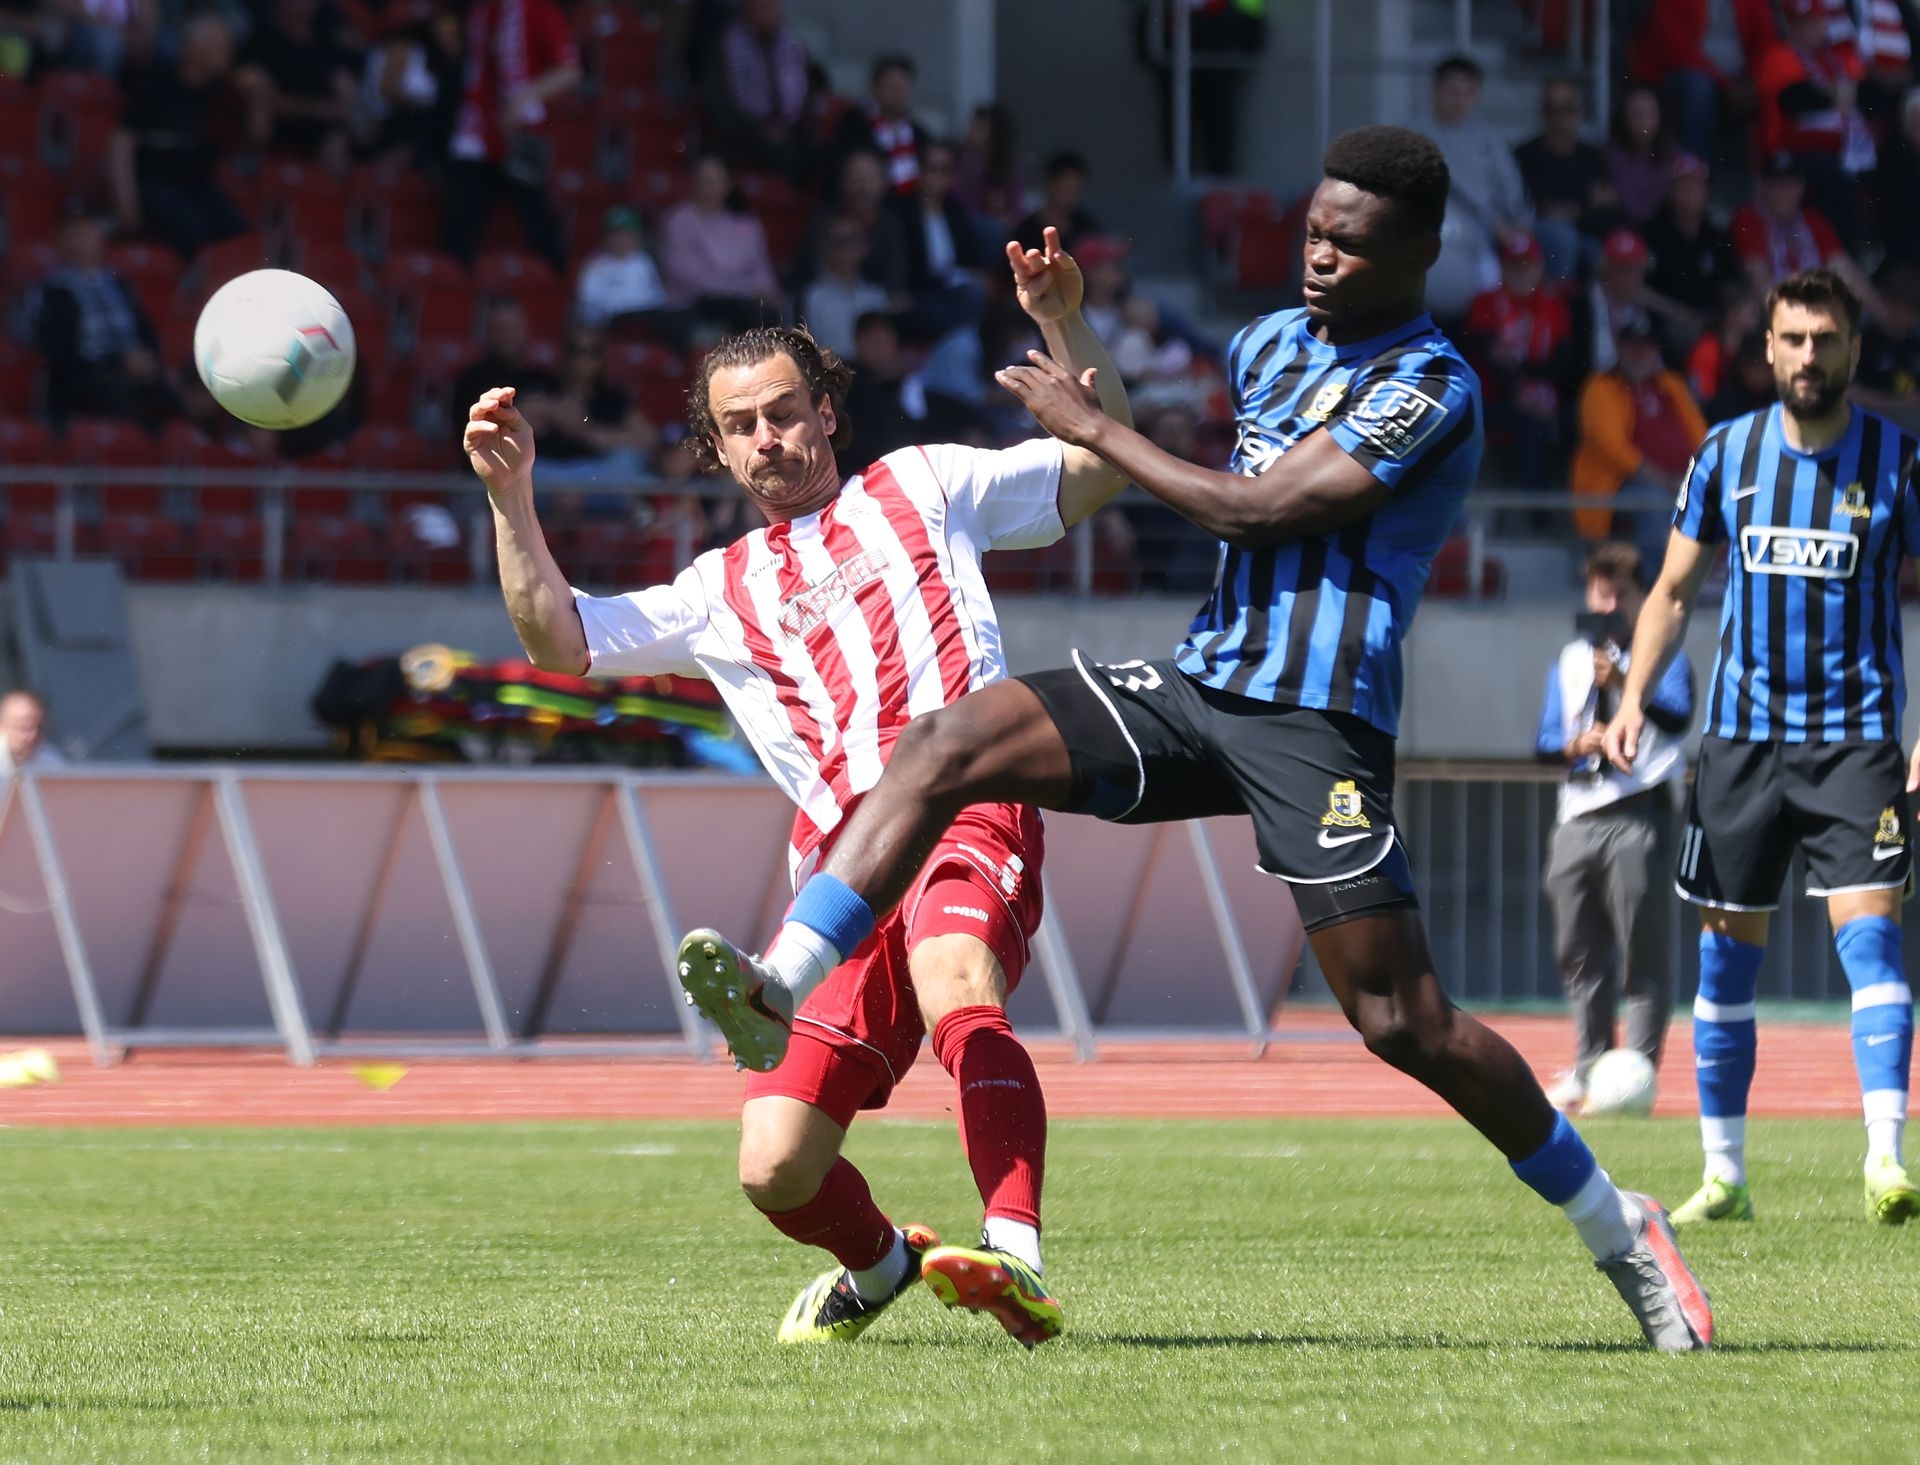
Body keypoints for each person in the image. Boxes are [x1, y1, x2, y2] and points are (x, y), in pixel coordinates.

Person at [679, 125, 1716, 1354]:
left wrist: (1091, 423)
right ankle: (781, 982)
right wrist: (1072, 328)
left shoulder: (1432, 386)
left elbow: (1259, 510)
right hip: (1200, 684)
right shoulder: (1269, 345)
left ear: (1421, 253)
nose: (1319, 257)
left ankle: (1617, 1221)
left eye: (1350, 244)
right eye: (1314, 232)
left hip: (1315, 724)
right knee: (947, 742)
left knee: (1403, 1020)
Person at [467, 229, 1135, 1347]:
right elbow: (558, 641)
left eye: (784, 412)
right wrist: (510, 496)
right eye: (740, 426)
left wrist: (1063, 320)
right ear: (718, 450)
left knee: (957, 979)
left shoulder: (927, 482)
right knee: (774, 1166)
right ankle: (881, 1265)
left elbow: (1103, 464)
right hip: (839, 875)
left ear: (826, 411)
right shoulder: (714, 589)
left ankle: (1015, 1253)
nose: (767, 437)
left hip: (966, 798)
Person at [1605, 267, 1920, 1229]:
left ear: (1854, 348)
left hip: (1856, 740)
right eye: (1794, 338)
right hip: (1740, 745)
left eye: (1826, 338)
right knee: (1724, 966)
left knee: (1871, 941)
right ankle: (1725, 1175)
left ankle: (1886, 1158)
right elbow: (1670, 591)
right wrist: (1633, 696)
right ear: (1770, 348)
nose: (1809, 355)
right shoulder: (1726, 454)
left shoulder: (1899, 462)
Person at [1536, 542, 1693, 1115]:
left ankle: (1638, 1075)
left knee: (1641, 950)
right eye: (1598, 594)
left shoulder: (1664, 654)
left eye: (1617, 595)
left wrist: (1627, 677)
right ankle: (1589, 1066)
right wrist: (1575, 745)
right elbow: (1544, 740)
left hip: (1637, 809)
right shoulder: (1569, 659)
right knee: (1577, 950)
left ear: (1639, 599)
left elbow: (1677, 715)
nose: (1606, 606)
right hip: (1577, 814)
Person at [439, 0, 580, 273]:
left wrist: (524, 97)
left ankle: (553, 288)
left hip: (521, 135)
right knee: (459, 229)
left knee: (540, 227)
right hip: (474, 134)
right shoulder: (479, 10)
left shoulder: (539, 9)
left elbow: (569, 70)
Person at [109, 15, 250, 260]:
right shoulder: (156, 86)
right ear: (194, 50)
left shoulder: (223, 93)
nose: (228, 53)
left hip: (196, 183)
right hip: (154, 181)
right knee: (192, 230)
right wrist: (126, 202)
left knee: (236, 231)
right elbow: (122, 143)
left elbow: (248, 143)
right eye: (220, 46)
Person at [1569, 318, 1707, 548]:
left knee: (1715, 497)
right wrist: (1663, 479)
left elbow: (1701, 436)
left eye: (1646, 347)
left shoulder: (1671, 385)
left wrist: (1693, 477)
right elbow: (1611, 447)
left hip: (1678, 481)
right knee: (1652, 500)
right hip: (1622, 486)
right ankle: (1661, 571)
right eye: (1632, 346)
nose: (1639, 354)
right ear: (1620, 348)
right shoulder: (1600, 386)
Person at [33, 214, 172, 428]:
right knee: (119, 391)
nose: (82, 241)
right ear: (61, 243)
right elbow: (63, 353)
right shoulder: (54, 290)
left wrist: (146, 357)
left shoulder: (119, 283)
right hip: (87, 374)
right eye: (74, 235)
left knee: (170, 391)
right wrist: (120, 363)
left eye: (87, 233)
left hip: (130, 364)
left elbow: (145, 328)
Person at [1424, 55, 1531, 325]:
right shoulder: (1418, 134)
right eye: (1452, 91)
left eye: (1467, 93)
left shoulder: (1490, 136)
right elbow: (1455, 189)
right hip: (1455, 232)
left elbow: (1512, 188)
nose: (1459, 100)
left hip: (1502, 231)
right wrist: (1497, 226)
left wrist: (1521, 223)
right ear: (1436, 90)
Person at [1465, 231, 1576, 488]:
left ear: (1540, 268)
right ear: (1503, 268)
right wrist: (1521, 392)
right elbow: (1490, 362)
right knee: (1529, 422)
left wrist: (1527, 375)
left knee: (1573, 418)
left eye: (1528, 265)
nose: (1522, 272)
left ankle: (1569, 500)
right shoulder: (1485, 303)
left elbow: (1561, 364)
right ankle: (1532, 505)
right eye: (1515, 266)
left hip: (1543, 394)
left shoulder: (1554, 307)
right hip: (1492, 399)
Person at [656, 155, 784, 336]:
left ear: (729, 184)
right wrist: (745, 290)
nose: (708, 187)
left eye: (715, 181)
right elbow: (689, 278)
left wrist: (768, 293)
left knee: (769, 319)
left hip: (742, 307)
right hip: (692, 308)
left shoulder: (747, 224)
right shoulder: (678, 221)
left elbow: (762, 273)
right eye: (703, 180)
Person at [1514, 77, 1619, 282]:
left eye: (1567, 109)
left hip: (1587, 233)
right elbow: (1536, 207)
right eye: (1553, 109)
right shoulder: (1526, 154)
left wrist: (1573, 210)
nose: (1560, 117)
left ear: (1580, 112)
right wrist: (1587, 204)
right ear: (1543, 113)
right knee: (1564, 238)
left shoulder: (1592, 156)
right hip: (1545, 235)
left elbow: (1610, 210)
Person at [699, 0, 815, 176]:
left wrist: (786, 126)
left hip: (789, 131)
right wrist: (760, 129)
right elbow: (717, 102)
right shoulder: (726, 46)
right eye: (761, 7)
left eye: (772, 7)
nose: (767, 13)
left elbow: (808, 94)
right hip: (743, 132)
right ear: (747, 11)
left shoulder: (793, 47)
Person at [830, 53, 925, 195]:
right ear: (875, 88)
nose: (898, 95)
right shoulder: (854, 126)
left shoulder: (919, 135)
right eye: (892, 87)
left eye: (903, 88)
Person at [796, 214, 890, 358]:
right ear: (825, 247)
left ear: (865, 246)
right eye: (838, 241)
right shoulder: (812, 297)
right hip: (828, 370)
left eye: (853, 239)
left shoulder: (877, 296)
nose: (846, 248)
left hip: (871, 371)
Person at [573, 207, 670, 332]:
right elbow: (589, 304)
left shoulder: (644, 262)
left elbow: (658, 297)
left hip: (646, 321)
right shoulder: (596, 264)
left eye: (627, 235)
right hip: (611, 325)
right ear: (605, 238)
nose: (621, 240)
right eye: (616, 235)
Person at [1012, 150, 1100, 255]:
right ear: (1050, 183)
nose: (1071, 196)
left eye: (1076, 190)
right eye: (1066, 188)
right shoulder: (1026, 231)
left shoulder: (1086, 226)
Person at [0, 690, 62, 775]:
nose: (33, 735)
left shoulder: (53, 765)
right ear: (2, 727)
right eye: (24, 728)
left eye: (39, 728)